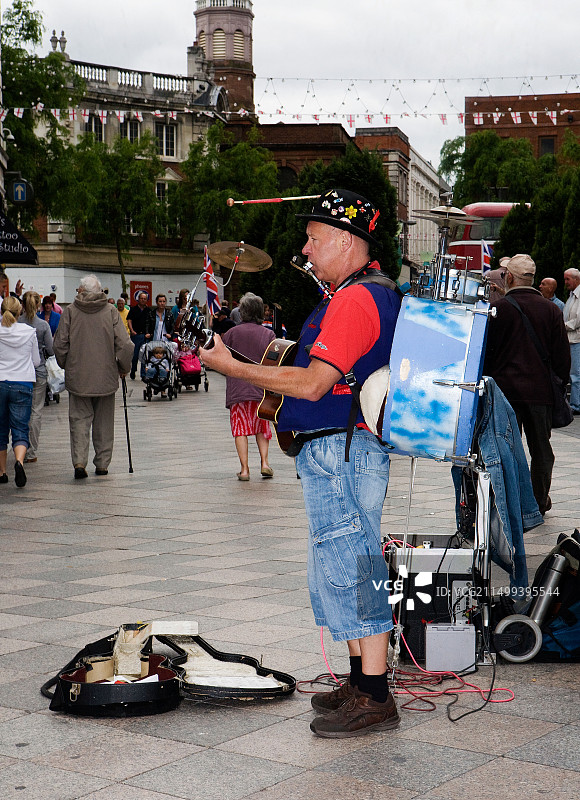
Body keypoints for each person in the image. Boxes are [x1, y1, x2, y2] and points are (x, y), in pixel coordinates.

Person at [201, 188, 402, 738]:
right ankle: (364, 682)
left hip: (342, 447)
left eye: (314, 239)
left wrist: (231, 366)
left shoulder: (356, 299)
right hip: (342, 447)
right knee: (344, 560)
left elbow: (315, 383)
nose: (306, 249)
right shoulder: (361, 292)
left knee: (352, 561)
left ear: (344, 240)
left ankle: (377, 694)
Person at [483, 254, 571, 515]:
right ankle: (538, 501)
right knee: (542, 450)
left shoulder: (501, 310)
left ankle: (510, 500)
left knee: (507, 449)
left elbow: (488, 354)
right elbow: (562, 358)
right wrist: (556, 383)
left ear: (509, 277)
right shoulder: (552, 310)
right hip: (540, 393)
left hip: (506, 392)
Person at [53, 274, 133, 479]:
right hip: (106, 377)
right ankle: (102, 464)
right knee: (104, 423)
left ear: (81, 291)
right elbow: (124, 344)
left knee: (79, 421)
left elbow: (60, 344)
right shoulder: (111, 311)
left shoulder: (70, 312)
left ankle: (79, 462)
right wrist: (123, 366)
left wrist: (67, 365)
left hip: (78, 376)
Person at [221, 293, 275, 480]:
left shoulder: (231, 333)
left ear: (242, 312)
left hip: (238, 389)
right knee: (262, 427)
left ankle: (244, 470)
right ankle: (265, 463)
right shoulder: (269, 334)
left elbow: (222, 357)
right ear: (261, 312)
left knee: (240, 429)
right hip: (260, 389)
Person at [0, 296, 40, 487]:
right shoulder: (29, 332)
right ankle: (19, 461)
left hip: (0, 382)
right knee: (20, 427)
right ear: (20, 312)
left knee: (1, 429)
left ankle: (2, 471)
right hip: (23, 382)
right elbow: (36, 361)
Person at [18, 291, 54, 463]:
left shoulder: (16, 323)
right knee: (36, 411)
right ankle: (31, 451)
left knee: (18, 411)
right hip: (38, 371)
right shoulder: (42, 326)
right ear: (39, 305)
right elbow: (52, 349)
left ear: (22, 305)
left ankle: (19, 445)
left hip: (18, 372)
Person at [563, 268, 580, 414]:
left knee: (576, 375)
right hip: (571, 339)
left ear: (576, 279)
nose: (566, 282)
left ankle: (576, 405)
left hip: (577, 340)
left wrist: (562, 326)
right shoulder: (572, 296)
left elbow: (576, 321)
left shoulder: (578, 296)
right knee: (573, 374)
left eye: (568, 279)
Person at [127, 291, 152, 380]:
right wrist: (132, 330)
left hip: (145, 336)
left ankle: (143, 374)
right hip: (136, 335)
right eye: (141, 298)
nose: (143, 300)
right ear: (138, 299)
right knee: (135, 355)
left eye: (145, 299)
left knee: (144, 355)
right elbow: (129, 320)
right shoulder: (133, 309)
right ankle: (133, 370)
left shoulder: (149, 311)